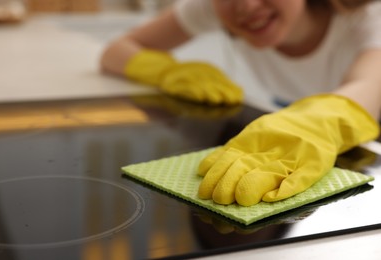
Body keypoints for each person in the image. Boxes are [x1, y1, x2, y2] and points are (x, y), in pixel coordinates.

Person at [100, 0, 381, 207]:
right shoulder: (214, 7)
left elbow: (370, 84)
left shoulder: (369, 16)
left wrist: (321, 122)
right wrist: (168, 71)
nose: (246, 6)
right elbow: (116, 50)